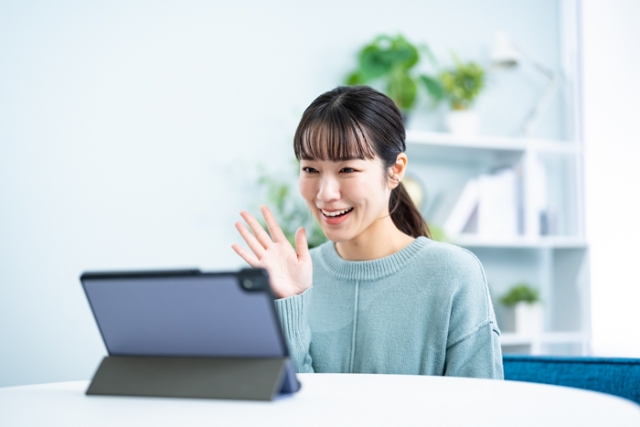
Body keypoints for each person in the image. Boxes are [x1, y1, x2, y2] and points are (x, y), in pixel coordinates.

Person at [232, 85, 503, 379]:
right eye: (310, 169)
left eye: (347, 169)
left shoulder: (454, 275)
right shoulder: (293, 278)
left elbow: (482, 408)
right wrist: (290, 303)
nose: (325, 193)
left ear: (396, 170)